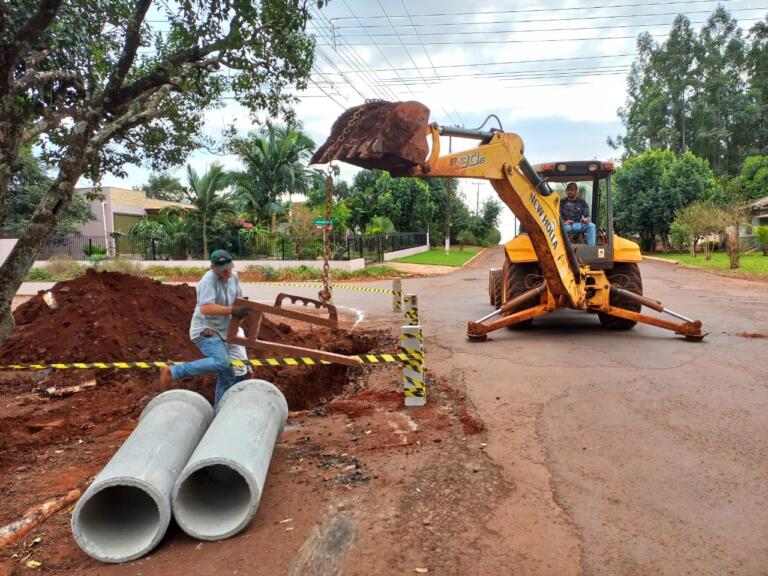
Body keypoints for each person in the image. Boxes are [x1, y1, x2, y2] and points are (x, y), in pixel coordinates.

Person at [160, 249, 251, 404]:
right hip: (205, 330)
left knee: (227, 375)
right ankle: (173, 371)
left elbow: (238, 299)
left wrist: (241, 312)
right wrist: (232, 310)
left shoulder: (234, 277)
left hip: (224, 330)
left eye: (229, 268)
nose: (228, 272)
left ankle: (219, 412)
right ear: (212, 268)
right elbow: (206, 308)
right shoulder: (208, 281)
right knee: (222, 362)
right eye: (223, 271)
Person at [560, 181, 596, 246]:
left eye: (572, 190)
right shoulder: (562, 202)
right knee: (561, 228)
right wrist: (564, 222)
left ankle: (591, 249)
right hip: (566, 225)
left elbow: (587, 216)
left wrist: (586, 219)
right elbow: (557, 215)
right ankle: (563, 248)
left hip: (579, 224)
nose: (569, 192)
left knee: (592, 226)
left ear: (576, 191)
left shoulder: (582, 202)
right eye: (568, 190)